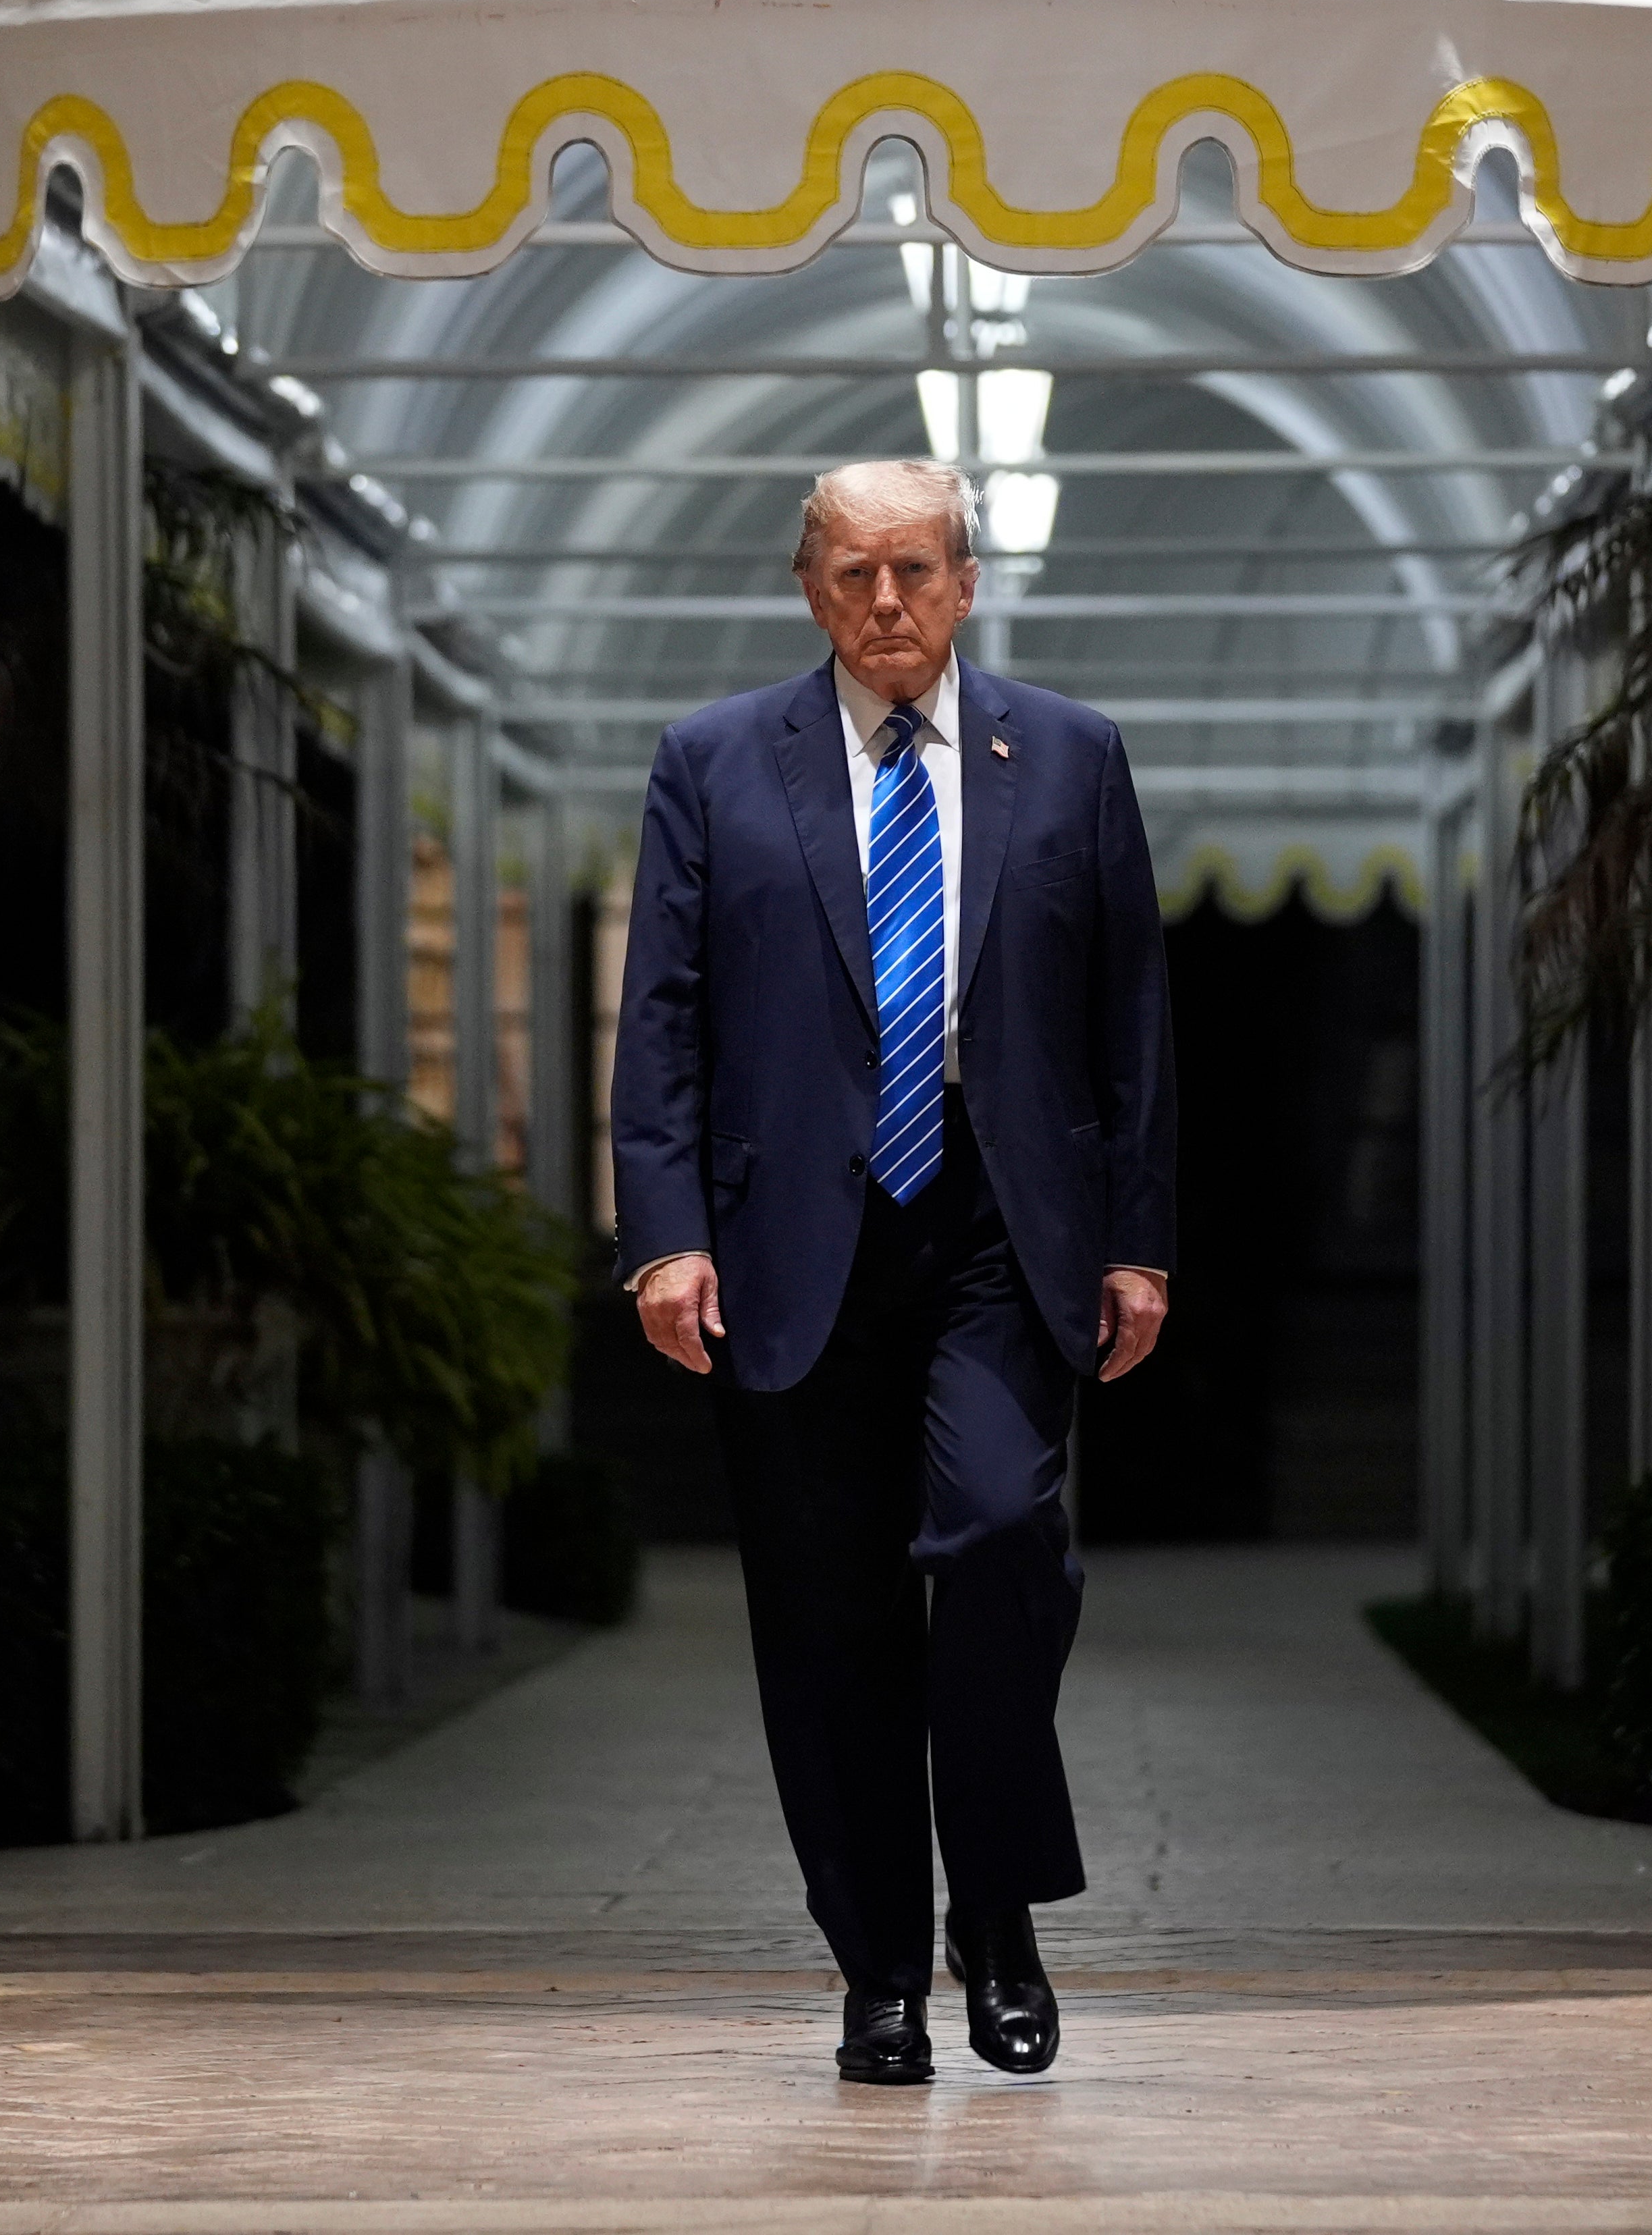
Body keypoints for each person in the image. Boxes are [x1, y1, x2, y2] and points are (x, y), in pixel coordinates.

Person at [609, 456, 1177, 2085]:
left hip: (1003, 1232)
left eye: (914, 570)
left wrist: (1137, 1238)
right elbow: (661, 1015)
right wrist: (662, 1231)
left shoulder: (1066, 757)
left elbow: (1130, 1018)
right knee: (828, 1615)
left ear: (965, 580)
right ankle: (878, 1968)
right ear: (808, 589)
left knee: (1002, 1534)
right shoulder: (714, 763)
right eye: (853, 574)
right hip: (795, 1240)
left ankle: (990, 1901)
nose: (885, 603)